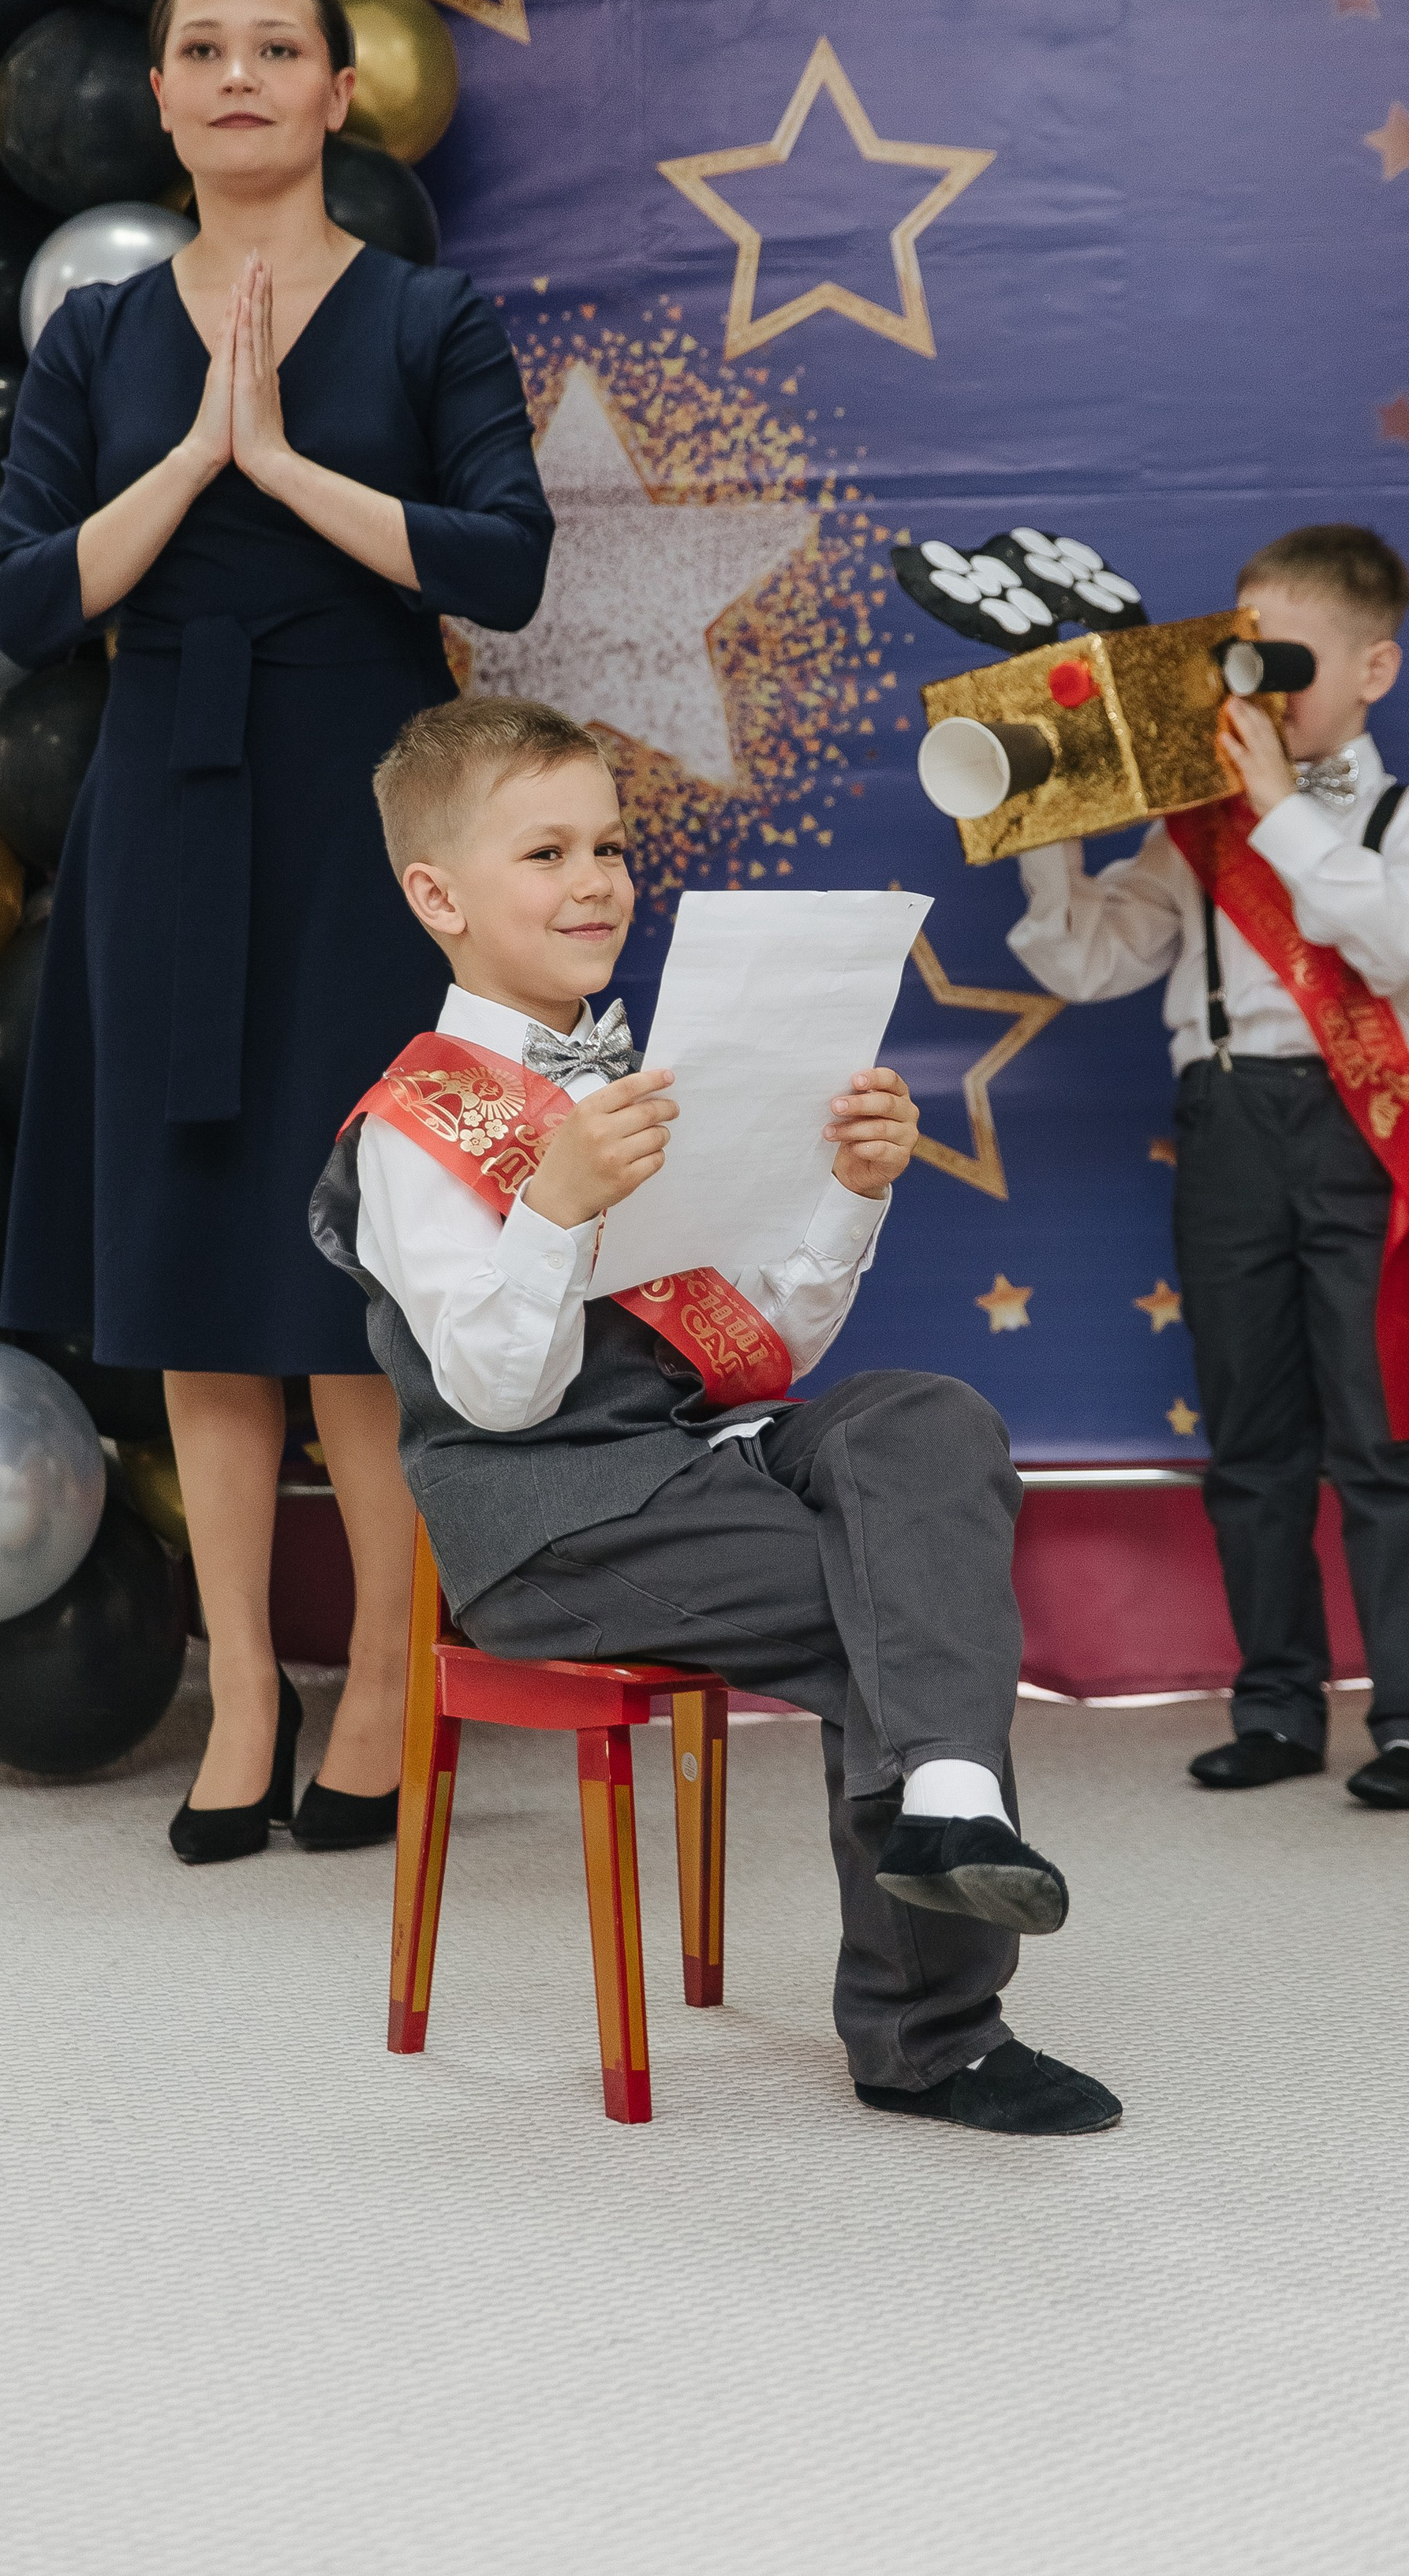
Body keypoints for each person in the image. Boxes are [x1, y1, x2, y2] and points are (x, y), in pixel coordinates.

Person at [308, 692, 1122, 2136]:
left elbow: (759, 1352)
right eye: (546, 854)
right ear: (437, 897)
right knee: (902, 1597)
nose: (596, 882)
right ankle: (932, 2036)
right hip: (548, 1518)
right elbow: (500, 1398)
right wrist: (556, 1205)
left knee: (924, 1416)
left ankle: (946, 1799)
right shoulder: (410, 1130)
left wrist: (849, 1193)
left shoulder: (649, 1076)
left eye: (610, 847)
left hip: (690, 1461)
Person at [0, 0, 554, 1868]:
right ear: (157, 97)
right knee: (192, 1273)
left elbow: (505, 563)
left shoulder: (426, 317)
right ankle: (243, 1695)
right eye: (201, 48)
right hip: (165, 811)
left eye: (275, 46)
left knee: (354, 1280)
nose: (238, 75)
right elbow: (22, 598)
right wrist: (194, 462)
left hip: (368, 820)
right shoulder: (96, 335)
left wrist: (285, 468)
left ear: (336, 90)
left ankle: (383, 1685)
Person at [1008, 525, 1409, 1809]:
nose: (1257, 688)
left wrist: (1280, 810)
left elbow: (1404, 942)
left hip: (1355, 1126)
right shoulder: (1199, 827)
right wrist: (1046, 821)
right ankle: (1277, 1706)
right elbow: (1088, 960)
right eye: (1242, 657)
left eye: (1288, 662)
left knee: (1378, 1437)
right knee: (1253, 1438)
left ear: (1374, 669)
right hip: (1223, 1128)